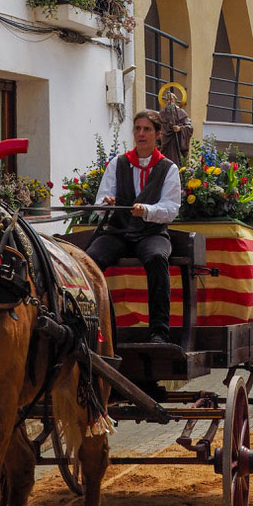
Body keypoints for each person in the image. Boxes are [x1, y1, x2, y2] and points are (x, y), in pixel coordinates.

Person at [89, 110, 182, 343]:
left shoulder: (168, 168)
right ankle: (90, 326)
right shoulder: (117, 164)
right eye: (137, 129)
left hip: (151, 233)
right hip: (118, 232)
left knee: (157, 258)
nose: (141, 134)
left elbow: (171, 209)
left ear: (158, 134)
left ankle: (159, 331)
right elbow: (100, 204)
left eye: (147, 129)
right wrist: (106, 204)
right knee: (91, 261)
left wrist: (147, 211)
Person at [158, 89, 193, 166]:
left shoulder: (181, 112)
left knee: (175, 162)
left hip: (176, 142)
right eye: (167, 100)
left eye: (170, 99)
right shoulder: (162, 113)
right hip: (165, 141)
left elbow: (189, 127)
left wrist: (180, 128)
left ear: (174, 100)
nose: (169, 101)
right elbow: (158, 126)